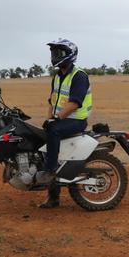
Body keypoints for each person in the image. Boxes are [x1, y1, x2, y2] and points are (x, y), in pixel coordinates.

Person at [36, 38, 93, 208]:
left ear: (70, 55)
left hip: (76, 120)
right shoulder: (58, 76)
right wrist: (48, 119)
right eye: (54, 53)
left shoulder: (79, 76)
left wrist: (56, 119)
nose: (55, 56)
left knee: (52, 130)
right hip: (61, 119)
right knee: (42, 136)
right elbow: (52, 101)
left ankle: (50, 170)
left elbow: (75, 102)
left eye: (59, 53)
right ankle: (53, 197)